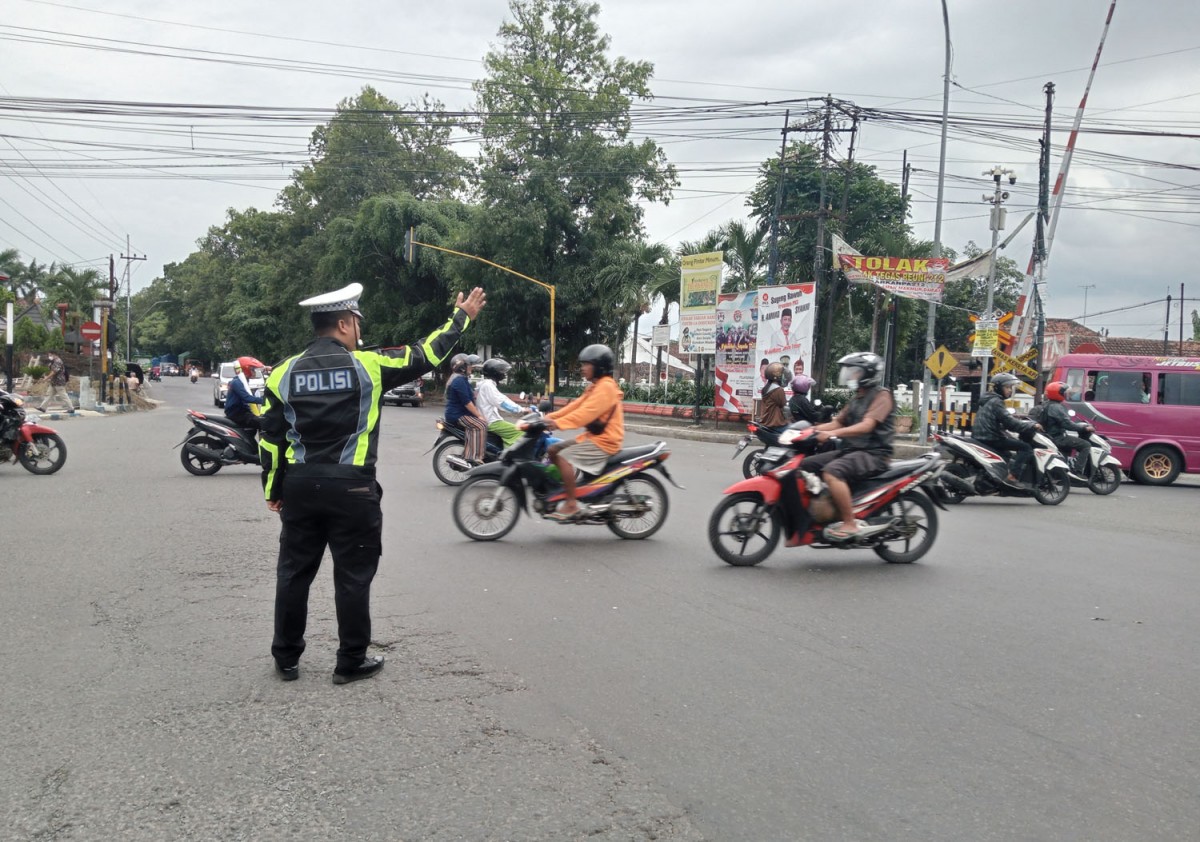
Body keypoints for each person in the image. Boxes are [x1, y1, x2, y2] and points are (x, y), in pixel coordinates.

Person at [260, 282, 485, 684]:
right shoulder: (369, 364)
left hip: (300, 486)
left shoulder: (282, 372)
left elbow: (271, 441)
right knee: (352, 576)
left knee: (293, 573)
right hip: (353, 489)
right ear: (345, 323)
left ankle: (287, 659)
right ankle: (350, 662)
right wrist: (461, 317)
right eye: (357, 323)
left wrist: (273, 491)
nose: (359, 331)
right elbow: (427, 353)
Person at [800, 352, 895, 541]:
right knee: (806, 465)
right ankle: (825, 510)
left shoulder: (882, 396)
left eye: (855, 372)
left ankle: (850, 522)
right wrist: (809, 431)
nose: (850, 376)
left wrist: (832, 434)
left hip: (874, 454)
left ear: (867, 374)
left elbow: (866, 426)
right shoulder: (857, 398)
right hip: (852, 451)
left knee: (832, 472)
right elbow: (837, 423)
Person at [529, 344, 624, 521]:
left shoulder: (606, 388)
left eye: (587, 364)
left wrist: (557, 424)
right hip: (592, 438)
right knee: (553, 450)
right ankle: (568, 488)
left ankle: (572, 504)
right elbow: (575, 406)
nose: (582, 368)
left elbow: (584, 414)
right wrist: (547, 418)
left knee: (563, 456)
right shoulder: (594, 387)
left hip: (604, 442)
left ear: (599, 366)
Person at [973, 372, 1040, 488]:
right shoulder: (997, 402)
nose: (1010, 390)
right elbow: (1010, 423)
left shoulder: (988, 399)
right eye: (1007, 387)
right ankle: (1012, 477)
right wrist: (1031, 426)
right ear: (999, 388)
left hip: (981, 436)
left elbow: (999, 420)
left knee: (1007, 455)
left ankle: (997, 478)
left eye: (1011, 387)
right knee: (1026, 448)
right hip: (991, 437)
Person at [444, 353, 488, 465]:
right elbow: (467, 403)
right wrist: (479, 416)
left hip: (460, 413)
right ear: (462, 367)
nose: (471, 369)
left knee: (478, 424)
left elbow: (471, 396)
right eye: (469, 366)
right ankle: (474, 457)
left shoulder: (461, 379)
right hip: (457, 415)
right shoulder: (458, 381)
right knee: (480, 425)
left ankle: (470, 452)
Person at [1041, 381, 1094, 470]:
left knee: (1069, 446)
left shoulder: (1048, 404)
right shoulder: (1056, 407)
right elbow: (1067, 424)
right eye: (1065, 393)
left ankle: (1066, 467)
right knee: (1086, 445)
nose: (1067, 395)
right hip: (1057, 438)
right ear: (1059, 393)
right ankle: (1077, 470)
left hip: (1051, 436)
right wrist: (1085, 428)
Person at [475, 358, 525, 447]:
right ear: (495, 372)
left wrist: (520, 408)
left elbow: (503, 399)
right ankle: (508, 458)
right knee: (520, 431)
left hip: (490, 419)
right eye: (501, 371)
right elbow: (502, 403)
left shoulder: (486, 384)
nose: (504, 374)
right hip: (492, 422)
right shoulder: (488, 385)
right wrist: (521, 409)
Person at [223, 356, 265, 457]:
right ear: (246, 369)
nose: (254, 372)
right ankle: (258, 451)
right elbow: (247, 398)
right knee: (263, 423)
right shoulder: (237, 382)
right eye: (252, 369)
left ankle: (249, 447)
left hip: (241, 411)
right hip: (237, 413)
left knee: (254, 425)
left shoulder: (242, 381)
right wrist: (265, 401)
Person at [757, 362, 788, 444]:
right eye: (782, 375)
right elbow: (783, 405)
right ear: (777, 376)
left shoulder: (766, 389)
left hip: (765, 421)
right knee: (793, 431)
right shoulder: (778, 390)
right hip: (775, 424)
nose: (783, 377)